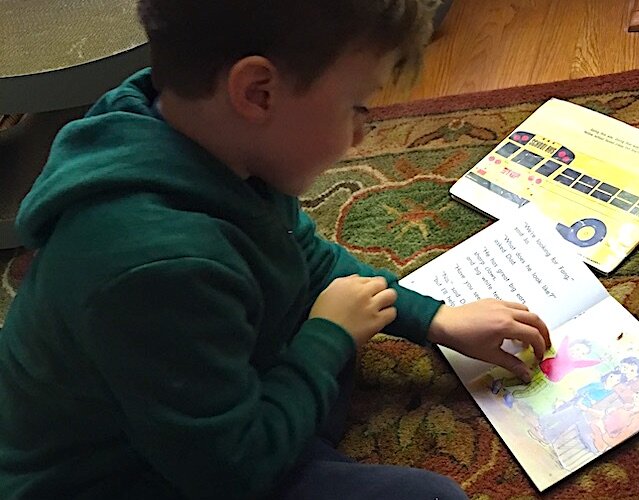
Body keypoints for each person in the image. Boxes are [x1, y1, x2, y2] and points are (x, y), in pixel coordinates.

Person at [0, 1, 551, 498]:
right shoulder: (158, 263)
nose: (362, 135)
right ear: (258, 92)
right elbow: (231, 472)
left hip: (181, 407)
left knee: (333, 345)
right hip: (113, 476)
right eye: (357, 107)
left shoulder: (206, 134)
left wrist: (437, 319)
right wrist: (326, 340)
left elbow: (305, 258)